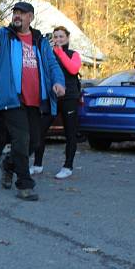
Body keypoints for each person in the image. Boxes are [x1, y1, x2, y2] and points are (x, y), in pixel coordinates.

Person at [0, 1, 66, 201]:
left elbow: (52, 64)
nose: (17, 16)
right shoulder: (2, 36)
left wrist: (58, 82)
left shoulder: (39, 39)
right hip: (12, 99)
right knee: (21, 140)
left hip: (35, 101)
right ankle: (24, 184)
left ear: (30, 17)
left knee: (34, 142)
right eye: (15, 13)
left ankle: (9, 164)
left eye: (22, 13)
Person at [33, 26, 82, 179]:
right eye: (55, 37)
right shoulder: (48, 53)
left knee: (70, 133)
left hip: (69, 98)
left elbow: (73, 69)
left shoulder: (73, 54)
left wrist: (60, 52)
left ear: (67, 38)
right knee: (40, 130)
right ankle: (37, 164)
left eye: (61, 36)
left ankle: (68, 167)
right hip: (51, 98)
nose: (58, 39)